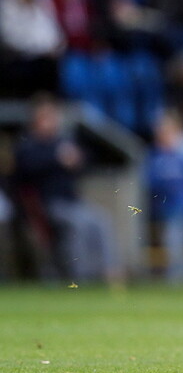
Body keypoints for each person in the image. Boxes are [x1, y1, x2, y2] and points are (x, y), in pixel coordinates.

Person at [13, 94, 117, 283]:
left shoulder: (62, 142)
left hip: (72, 201)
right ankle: (80, 277)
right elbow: (27, 167)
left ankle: (109, 272)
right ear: (36, 120)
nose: (51, 122)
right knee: (78, 225)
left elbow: (88, 159)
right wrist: (57, 159)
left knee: (101, 221)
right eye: (46, 118)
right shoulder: (29, 146)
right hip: (48, 204)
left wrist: (77, 159)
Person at [146, 109, 183, 283]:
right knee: (174, 241)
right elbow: (150, 183)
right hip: (162, 208)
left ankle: (177, 276)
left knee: (175, 240)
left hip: (181, 208)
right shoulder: (155, 158)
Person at [0, 0, 65, 98]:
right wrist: (41, 49)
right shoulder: (5, 5)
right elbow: (12, 37)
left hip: (43, 59)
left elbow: (52, 30)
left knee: (53, 66)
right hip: (17, 59)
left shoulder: (42, 0)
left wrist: (55, 46)